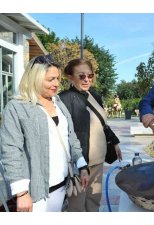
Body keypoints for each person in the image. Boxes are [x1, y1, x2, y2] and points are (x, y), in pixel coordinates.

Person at [0, 55, 89, 212]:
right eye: (50, 79)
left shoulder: (58, 103)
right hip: (35, 192)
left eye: (58, 79)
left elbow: (71, 137)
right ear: (35, 78)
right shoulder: (16, 107)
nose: (56, 84)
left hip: (62, 185)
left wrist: (82, 166)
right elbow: (10, 151)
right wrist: (21, 193)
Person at [59, 58, 122, 212]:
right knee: (77, 207)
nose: (87, 79)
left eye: (90, 75)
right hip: (80, 164)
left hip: (98, 160)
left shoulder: (94, 95)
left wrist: (114, 141)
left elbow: (102, 124)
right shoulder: (64, 98)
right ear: (70, 76)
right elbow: (65, 133)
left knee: (94, 201)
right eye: (81, 76)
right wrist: (79, 164)